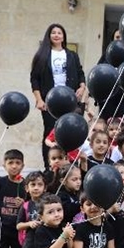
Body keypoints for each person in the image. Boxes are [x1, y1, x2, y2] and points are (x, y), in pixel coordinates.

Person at [30, 23, 87, 170]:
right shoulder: (42, 55)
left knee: (70, 130)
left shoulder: (72, 55)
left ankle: (70, 165)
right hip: (50, 101)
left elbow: (80, 73)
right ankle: (49, 167)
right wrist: (39, 99)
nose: (56, 35)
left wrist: (82, 86)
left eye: (59, 33)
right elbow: (34, 79)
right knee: (50, 132)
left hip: (70, 100)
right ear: (49, 36)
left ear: (63, 36)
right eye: (53, 32)